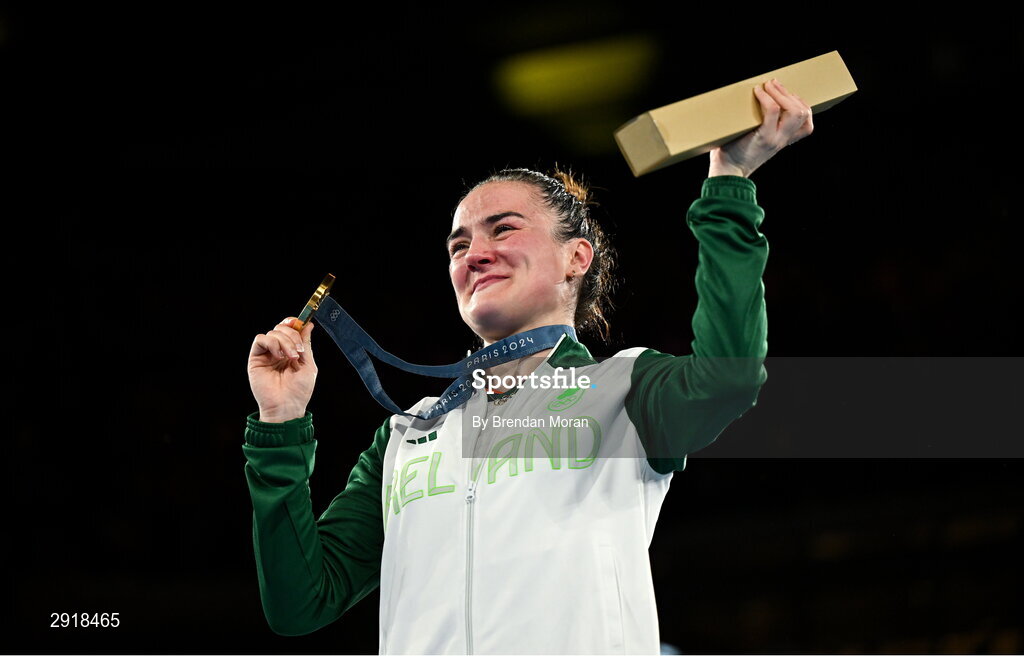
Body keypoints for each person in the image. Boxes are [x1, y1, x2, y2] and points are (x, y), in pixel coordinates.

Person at [243, 78, 813, 654]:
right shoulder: (407, 434)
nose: (476, 254)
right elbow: (300, 604)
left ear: (576, 257)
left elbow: (730, 377)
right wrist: (280, 423)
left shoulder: (623, 392)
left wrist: (729, 184)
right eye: (458, 246)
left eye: (504, 229)